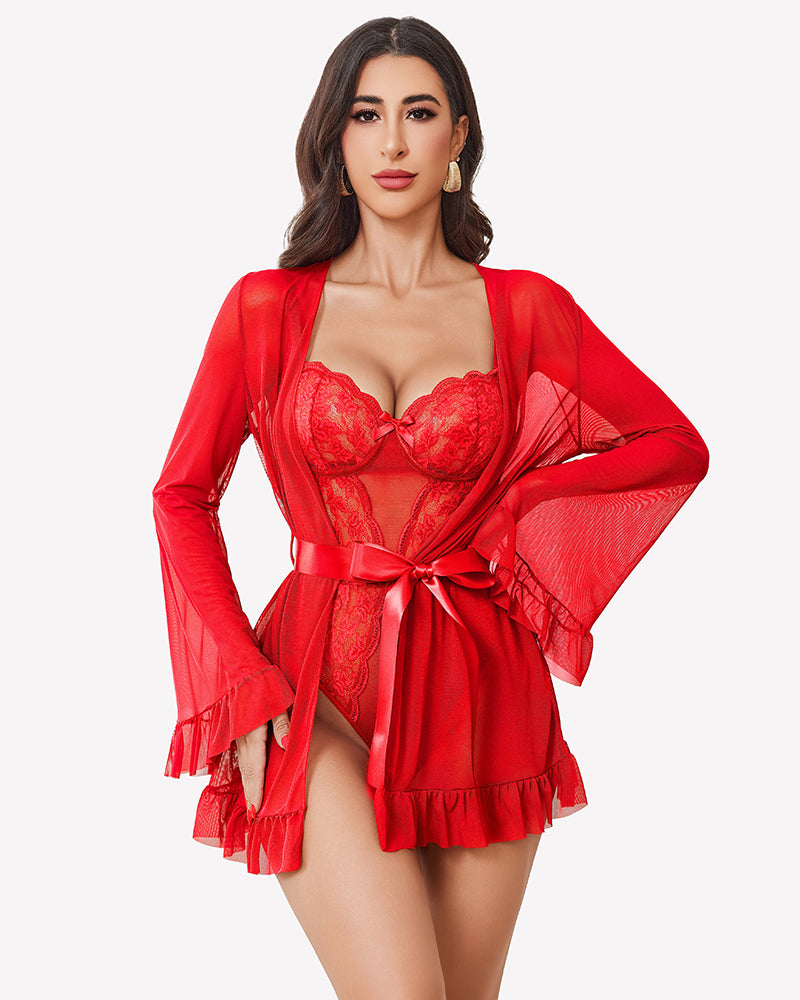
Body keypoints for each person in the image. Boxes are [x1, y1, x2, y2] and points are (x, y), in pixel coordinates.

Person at [152, 16, 709, 1000]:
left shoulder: (525, 308)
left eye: (418, 112)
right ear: (334, 139)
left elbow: (671, 444)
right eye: (366, 115)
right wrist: (235, 674)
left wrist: (517, 513)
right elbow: (183, 496)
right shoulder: (264, 310)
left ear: (459, 136)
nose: (393, 141)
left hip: (482, 697)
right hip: (310, 686)